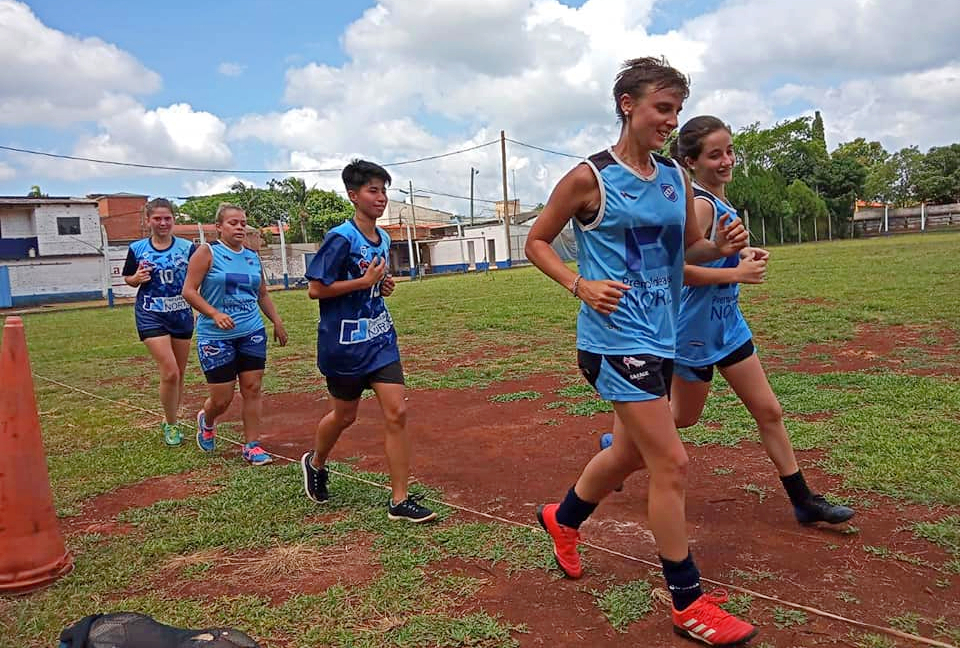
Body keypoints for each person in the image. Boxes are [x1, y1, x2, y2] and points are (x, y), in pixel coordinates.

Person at [525, 57, 758, 646]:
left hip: (663, 337)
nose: (671, 120)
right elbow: (537, 241)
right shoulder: (590, 178)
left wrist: (721, 246)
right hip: (612, 342)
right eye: (662, 108)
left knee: (628, 455)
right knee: (672, 463)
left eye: (677, 111)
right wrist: (579, 284)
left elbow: (684, 257)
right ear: (628, 104)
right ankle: (687, 603)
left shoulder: (676, 180)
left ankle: (564, 517)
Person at [667, 115, 854, 525]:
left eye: (730, 151)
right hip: (695, 332)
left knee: (769, 411)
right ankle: (620, 447)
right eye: (715, 155)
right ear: (691, 161)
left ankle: (803, 501)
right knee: (682, 418)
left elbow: (716, 253)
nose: (726, 161)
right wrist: (736, 272)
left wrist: (744, 256)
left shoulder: (721, 201)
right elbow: (679, 268)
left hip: (728, 325)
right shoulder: (698, 203)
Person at [299, 159, 436, 524]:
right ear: (353, 195)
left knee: (398, 411)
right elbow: (316, 290)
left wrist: (382, 285)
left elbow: (374, 280)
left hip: (379, 338)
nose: (381, 198)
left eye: (384, 191)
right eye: (373, 191)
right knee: (345, 415)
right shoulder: (340, 238)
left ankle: (399, 500)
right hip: (343, 346)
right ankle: (316, 462)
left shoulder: (385, 237)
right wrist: (362, 283)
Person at [182, 203, 287, 466]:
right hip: (215, 336)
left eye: (242, 223)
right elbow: (189, 291)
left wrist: (276, 321)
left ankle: (252, 445)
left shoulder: (252, 256)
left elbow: (261, 293)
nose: (239, 227)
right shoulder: (207, 253)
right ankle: (207, 419)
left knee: (252, 388)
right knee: (222, 398)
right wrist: (214, 313)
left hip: (251, 331)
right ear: (218, 227)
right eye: (233, 223)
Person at [121, 198, 196, 446]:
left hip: (181, 314)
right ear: (148, 221)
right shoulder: (138, 248)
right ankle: (172, 424)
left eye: (167, 218)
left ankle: (171, 417)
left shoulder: (188, 248)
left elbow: (199, 277)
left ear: (174, 220)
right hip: (151, 313)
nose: (163, 223)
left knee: (180, 373)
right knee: (170, 370)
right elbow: (128, 279)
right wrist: (137, 277)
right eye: (157, 218)